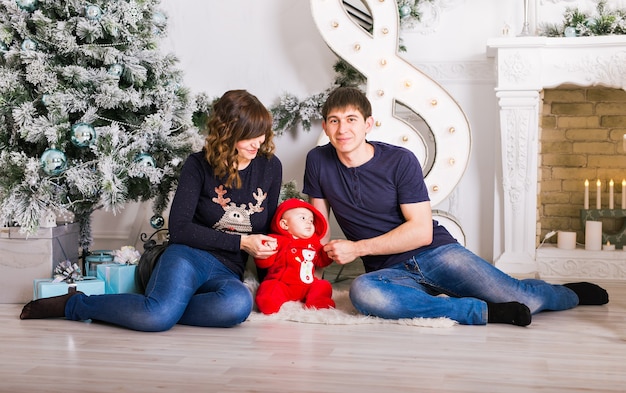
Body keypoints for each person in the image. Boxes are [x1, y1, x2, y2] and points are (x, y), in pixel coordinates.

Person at [303, 86, 609, 327]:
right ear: (326, 126)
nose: (343, 129)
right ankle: (482, 311)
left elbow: (421, 232)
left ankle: (570, 292)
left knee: (523, 297)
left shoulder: (399, 160)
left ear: (368, 124)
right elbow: (318, 227)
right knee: (363, 292)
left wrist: (357, 249)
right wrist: (308, 281)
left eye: (351, 119)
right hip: (388, 272)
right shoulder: (318, 161)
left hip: (437, 254)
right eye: (335, 120)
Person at [20, 89, 283, 331]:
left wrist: (269, 284)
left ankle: (165, 304)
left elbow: (269, 232)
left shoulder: (270, 168)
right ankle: (75, 304)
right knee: (155, 318)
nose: (257, 142)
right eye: (250, 134)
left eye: (261, 134)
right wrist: (242, 241)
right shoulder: (198, 165)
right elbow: (180, 230)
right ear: (228, 131)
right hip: (186, 258)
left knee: (237, 306)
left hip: (227, 270)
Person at [254, 198, 335, 314]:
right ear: (284, 224)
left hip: (307, 286)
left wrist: (328, 253)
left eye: (311, 220)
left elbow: (321, 261)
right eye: (303, 218)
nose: (309, 222)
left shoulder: (314, 244)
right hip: (283, 284)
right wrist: (266, 250)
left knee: (322, 285)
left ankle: (318, 302)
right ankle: (269, 303)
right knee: (270, 288)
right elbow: (264, 263)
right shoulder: (277, 240)